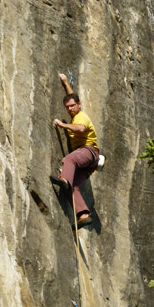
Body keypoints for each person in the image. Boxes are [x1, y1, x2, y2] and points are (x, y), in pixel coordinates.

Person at [50, 73, 99, 229]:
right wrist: (65, 82)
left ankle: (64, 180)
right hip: (88, 161)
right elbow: (71, 97)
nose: (70, 109)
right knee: (74, 186)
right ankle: (84, 216)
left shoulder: (81, 117)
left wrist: (62, 125)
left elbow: (81, 129)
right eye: (67, 107)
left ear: (79, 104)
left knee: (69, 160)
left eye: (72, 106)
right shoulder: (75, 112)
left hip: (88, 152)